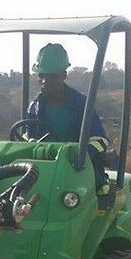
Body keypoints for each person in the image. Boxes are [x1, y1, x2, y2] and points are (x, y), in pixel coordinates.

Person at [26, 43, 110, 193]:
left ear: (63, 76)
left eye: (50, 77)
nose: (44, 81)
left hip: (78, 172)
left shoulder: (82, 105)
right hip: (44, 173)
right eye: (41, 76)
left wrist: (76, 154)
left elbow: (100, 141)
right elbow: (27, 139)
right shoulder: (34, 107)